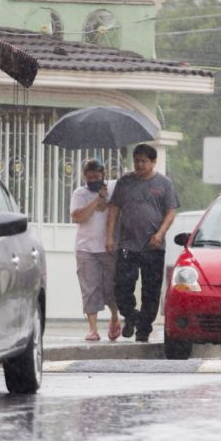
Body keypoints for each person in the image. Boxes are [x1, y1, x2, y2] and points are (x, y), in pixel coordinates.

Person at [106, 144, 180, 342]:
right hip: (127, 245)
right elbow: (113, 209)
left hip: (153, 245)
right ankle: (131, 316)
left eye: (143, 161)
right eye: (137, 160)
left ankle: (144, 328)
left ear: (153, 162)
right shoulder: (125, 182)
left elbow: (171, 211)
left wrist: (160, 233)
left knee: (151, 289)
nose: (139, 165)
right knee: (121, 286)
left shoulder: (164, 184)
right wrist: (109, 237)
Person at [70, 159, 121, 342]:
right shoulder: (80, 193)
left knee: (110, 288)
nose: (93, 180)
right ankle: (93, 329)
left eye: (97, 177)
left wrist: (106, 197)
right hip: (86, 248)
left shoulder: (113, 188)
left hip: (108, 248)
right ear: (85, 176)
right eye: (90, 177)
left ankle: (115, 316)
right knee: (90, 289)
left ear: (104, 175)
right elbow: (77, 217)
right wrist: (96, 200)